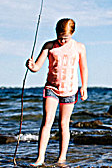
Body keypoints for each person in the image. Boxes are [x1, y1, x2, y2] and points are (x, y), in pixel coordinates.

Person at [26, 18, 88, 166]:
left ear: (72, 33)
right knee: (47, 122)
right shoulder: (49, 46)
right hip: (51, 88)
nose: (62, 41)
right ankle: (40, 158)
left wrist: (84, 87)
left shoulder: (79, 47)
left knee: (63, 124)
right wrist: (31, 66)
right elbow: (37, 67)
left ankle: (62, 158)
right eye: (60, 37)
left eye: (65, 38)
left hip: (70, 90)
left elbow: (83, 68)